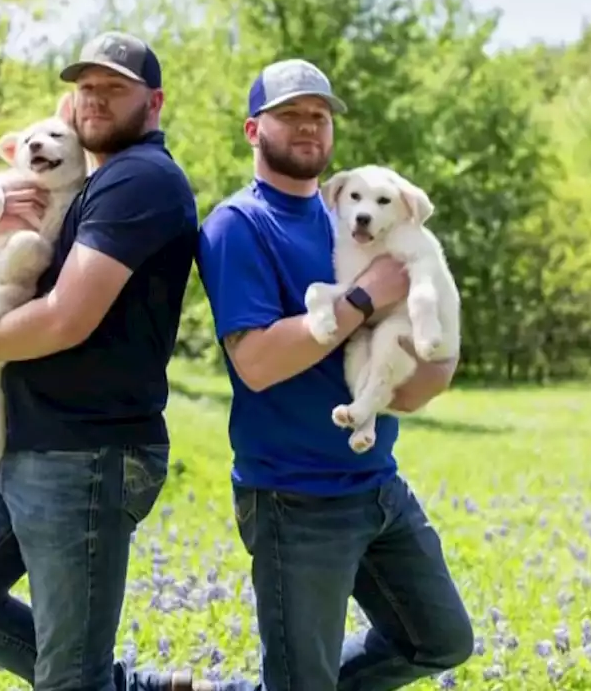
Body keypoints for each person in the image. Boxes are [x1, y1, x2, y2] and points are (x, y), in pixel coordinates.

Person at [0, 31, 200, 691]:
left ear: (152, 103)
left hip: (84, 454)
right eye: (84, 88)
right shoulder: (84, 180)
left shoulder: (140, 179)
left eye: (113, 89)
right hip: (22, 439)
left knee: (70, 679)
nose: (93, 100)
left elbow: (66, 318)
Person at [193, 59, 474, 691]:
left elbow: (415, 341)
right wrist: (366, 298)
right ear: (251, 130)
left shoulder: (356, 211)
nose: (307, 127)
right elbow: (258, 363)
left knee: (439, 640)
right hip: (296, 495)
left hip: (375, 484)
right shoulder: (237, 226)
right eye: (288, 115)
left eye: (318, 116)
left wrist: (431, 367)